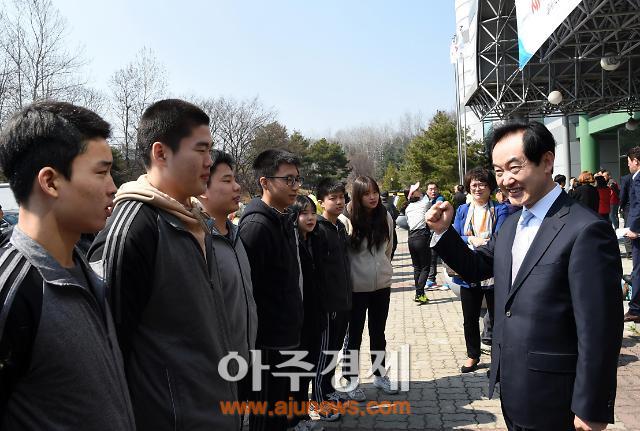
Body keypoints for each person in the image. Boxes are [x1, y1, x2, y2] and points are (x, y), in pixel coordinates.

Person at [427, 120, 622, 430]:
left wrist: (592, 406)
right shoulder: (511, 224)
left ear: (546, 162)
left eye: (514, 168)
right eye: (499, 171)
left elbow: (600, 328)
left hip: (558, 397)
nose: (505, 180)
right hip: (514, 388)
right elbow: (477, 267)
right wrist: (443, 231)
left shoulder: (585, 230)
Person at [88, 99, 239, 430]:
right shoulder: (134, 228)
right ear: (161, 153)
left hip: (215, 410)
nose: (209, 161)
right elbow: (112, 352)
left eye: (210, 150)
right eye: (201, 150)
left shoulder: (193, 220)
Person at [0, 101, 135, 430]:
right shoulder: (13, 289)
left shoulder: (86, 271)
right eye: (101, 172)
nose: (113, 187)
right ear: (51, 182)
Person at [238, 149, 303, 431]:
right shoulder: (256, 226)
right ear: (265, 182)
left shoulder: (283, 218)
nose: (295, 187)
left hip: (287, 337)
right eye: (288, 180)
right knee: (266, 415)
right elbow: (248, 292)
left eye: (298, 180)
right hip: (267, 345)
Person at [196, 150, 258, 401]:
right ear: (202, 189)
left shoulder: (236, 235)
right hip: (214, 369)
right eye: (227, 180)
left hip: (244, 358)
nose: (237, 187)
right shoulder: (197, 240)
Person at [340, 176, 396, 398]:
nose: (373, 197)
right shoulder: (346, 219)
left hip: (381, 285)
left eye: (375, 192)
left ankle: (380, 374)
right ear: (357, 195)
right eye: (366, 193)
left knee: (378, 332)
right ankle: (351, 379)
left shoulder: (385, 216)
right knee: (353, 335)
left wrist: (384, 270)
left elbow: (389, 247)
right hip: (355, 288)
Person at [452, 168, 508, 373]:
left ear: (490, 187)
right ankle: (472, 355)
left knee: (496, 317)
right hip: (468, 271)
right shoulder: (462, 210)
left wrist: (484, 244)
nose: (478, 188)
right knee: (470, 318)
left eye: (482, 184)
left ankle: (499, 358)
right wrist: (471, 239)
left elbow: (500, 234)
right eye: (474, 184)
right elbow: (456, 235)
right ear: (468, 187)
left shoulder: (500, 209)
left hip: (492, 269)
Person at [288, 195, 327, 430]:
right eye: (304, 213)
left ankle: (302, 415)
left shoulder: (316, 239)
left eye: (313, 212)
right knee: (296, 371)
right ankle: (294, 418)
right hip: (298, 318)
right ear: (295, 216)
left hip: (315, 315)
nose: (310, 217)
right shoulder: (292, 242)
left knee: (309, 368)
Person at [314, 179, 354, 407]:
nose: (339, 202)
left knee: (334, 351)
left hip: (343, 302)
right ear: (321, 202)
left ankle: (329, 390)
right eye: (333, 198)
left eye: (341, 197)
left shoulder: (339, 226)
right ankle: (320, 398)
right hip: (328, 305)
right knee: (324, 352)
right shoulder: (317, 229)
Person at [405, 181, 432, 305]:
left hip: (411, 238)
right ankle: (419, 292)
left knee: (417, 267)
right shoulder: (423, 204)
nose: (420, 190)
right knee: (426, 267)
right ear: (415, 195)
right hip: (422, 237)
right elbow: (428, 198)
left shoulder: (408, 208)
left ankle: (419, 294)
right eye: (417, 190)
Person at [624, 146, 640, 323]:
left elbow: (638, 206)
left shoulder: (638, 178)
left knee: (637, 271)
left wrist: (634, 229)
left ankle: (635, 308)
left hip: (638, 233)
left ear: (636, 161)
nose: (628, 166)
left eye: (629, 163)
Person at [426, 182, 445, 288]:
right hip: (432, 233)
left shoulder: (440, 199)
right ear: (427, 191)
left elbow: (437, 207)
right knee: (432, 257)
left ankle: (448, 280)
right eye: (430, 189)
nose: (433, 191)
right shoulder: (427, 200)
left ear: (438, 190)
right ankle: (431, 279)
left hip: (441, 232)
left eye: (434, 189)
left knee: (445, 258)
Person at [381, 191, 399, 259]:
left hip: (381, 230)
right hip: (390, 229)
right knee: (393, 245)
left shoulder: (377, 205)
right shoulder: (390, 205)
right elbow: (396, 214)